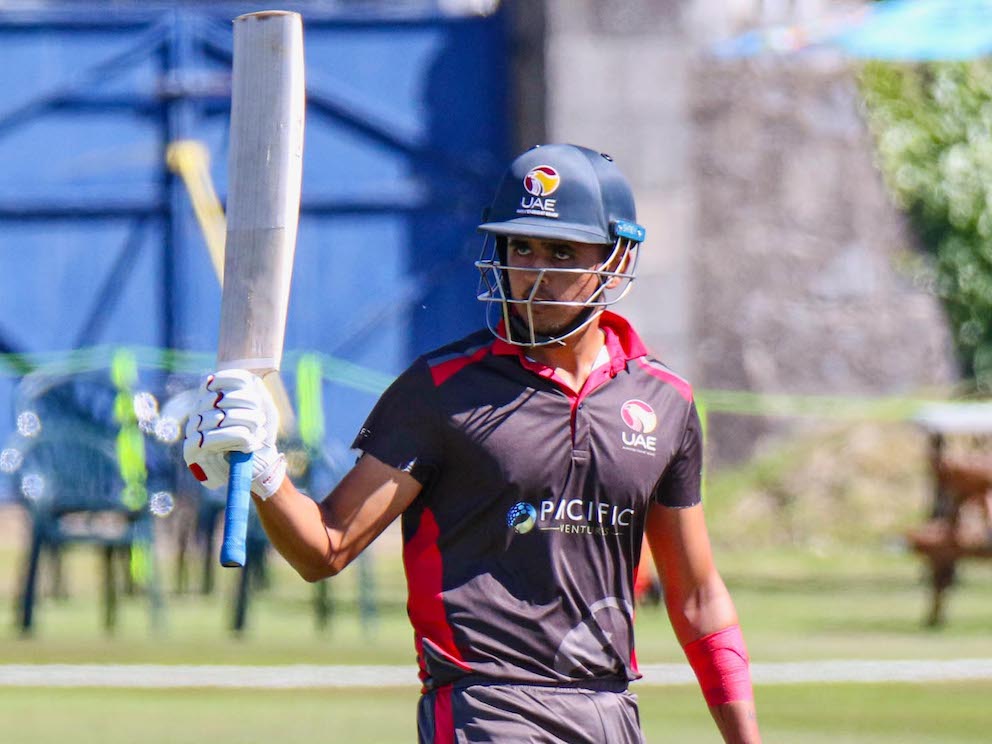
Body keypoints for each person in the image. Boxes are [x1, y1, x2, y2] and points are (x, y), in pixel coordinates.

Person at [183, 143, 761, 743]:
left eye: (561, 251)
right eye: (521, 247)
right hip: (484, 708)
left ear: (617, 258)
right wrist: (267, 473)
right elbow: (325, 547)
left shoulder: (665, 401)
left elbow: (696, 596)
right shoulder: (439, 391)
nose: (533, 270)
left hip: (609, 710)